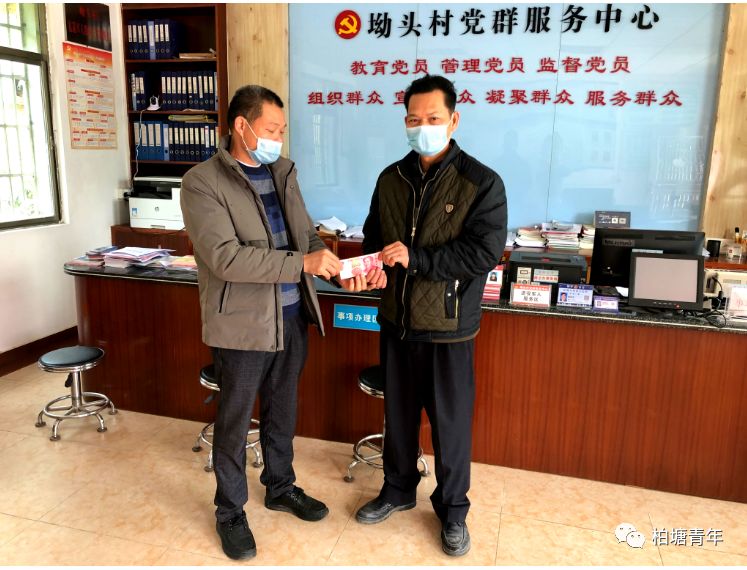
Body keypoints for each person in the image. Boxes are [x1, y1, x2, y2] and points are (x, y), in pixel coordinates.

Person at [180, 85, 369, 560]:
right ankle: (230, 511)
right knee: (234, 420)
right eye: (271, 129)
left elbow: (305, 236)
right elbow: (226, 258)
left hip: (291, 315)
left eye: (282, 130)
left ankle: (280, 487)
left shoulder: (282, 172)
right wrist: (302, 263)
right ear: (241, 126)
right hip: (241, 326)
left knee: (283, 410)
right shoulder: (202, 182)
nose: (278, 139)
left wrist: (334, 267)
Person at [357, 75, 508, 557]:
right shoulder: (391, 178)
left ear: (453, 120)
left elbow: (482, 252)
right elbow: (374, 237)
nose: (422, 127)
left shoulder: (481, 182)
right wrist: (374, 267)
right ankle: (397, 490)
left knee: (450, 426)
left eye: (433, 118)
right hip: (397, 323)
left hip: (449, 328)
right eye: (414, 119)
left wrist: (417, 258)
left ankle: (453, 510)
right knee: (398, 417)